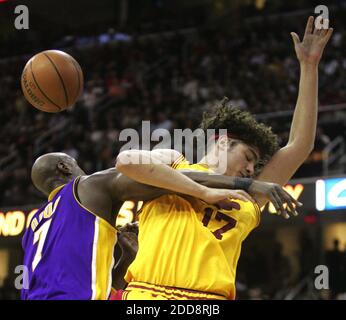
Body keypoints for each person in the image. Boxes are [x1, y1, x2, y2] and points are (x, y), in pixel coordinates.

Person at [115, 16, 333, 300]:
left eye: (256, 165)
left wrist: (309, 67)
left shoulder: (250, 197)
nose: (252, 169)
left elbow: (300, 145)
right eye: (249, 156)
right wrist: (204, 192)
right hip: (147, 296)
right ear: (223, 141)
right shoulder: (176, 162)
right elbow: (126, 160)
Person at [21, 152, 294, 300]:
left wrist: (127, 258)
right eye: (76, 163)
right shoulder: (87, 186)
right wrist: (244, 184)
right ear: (64, 166)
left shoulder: (32, 226)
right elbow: (161, 179)